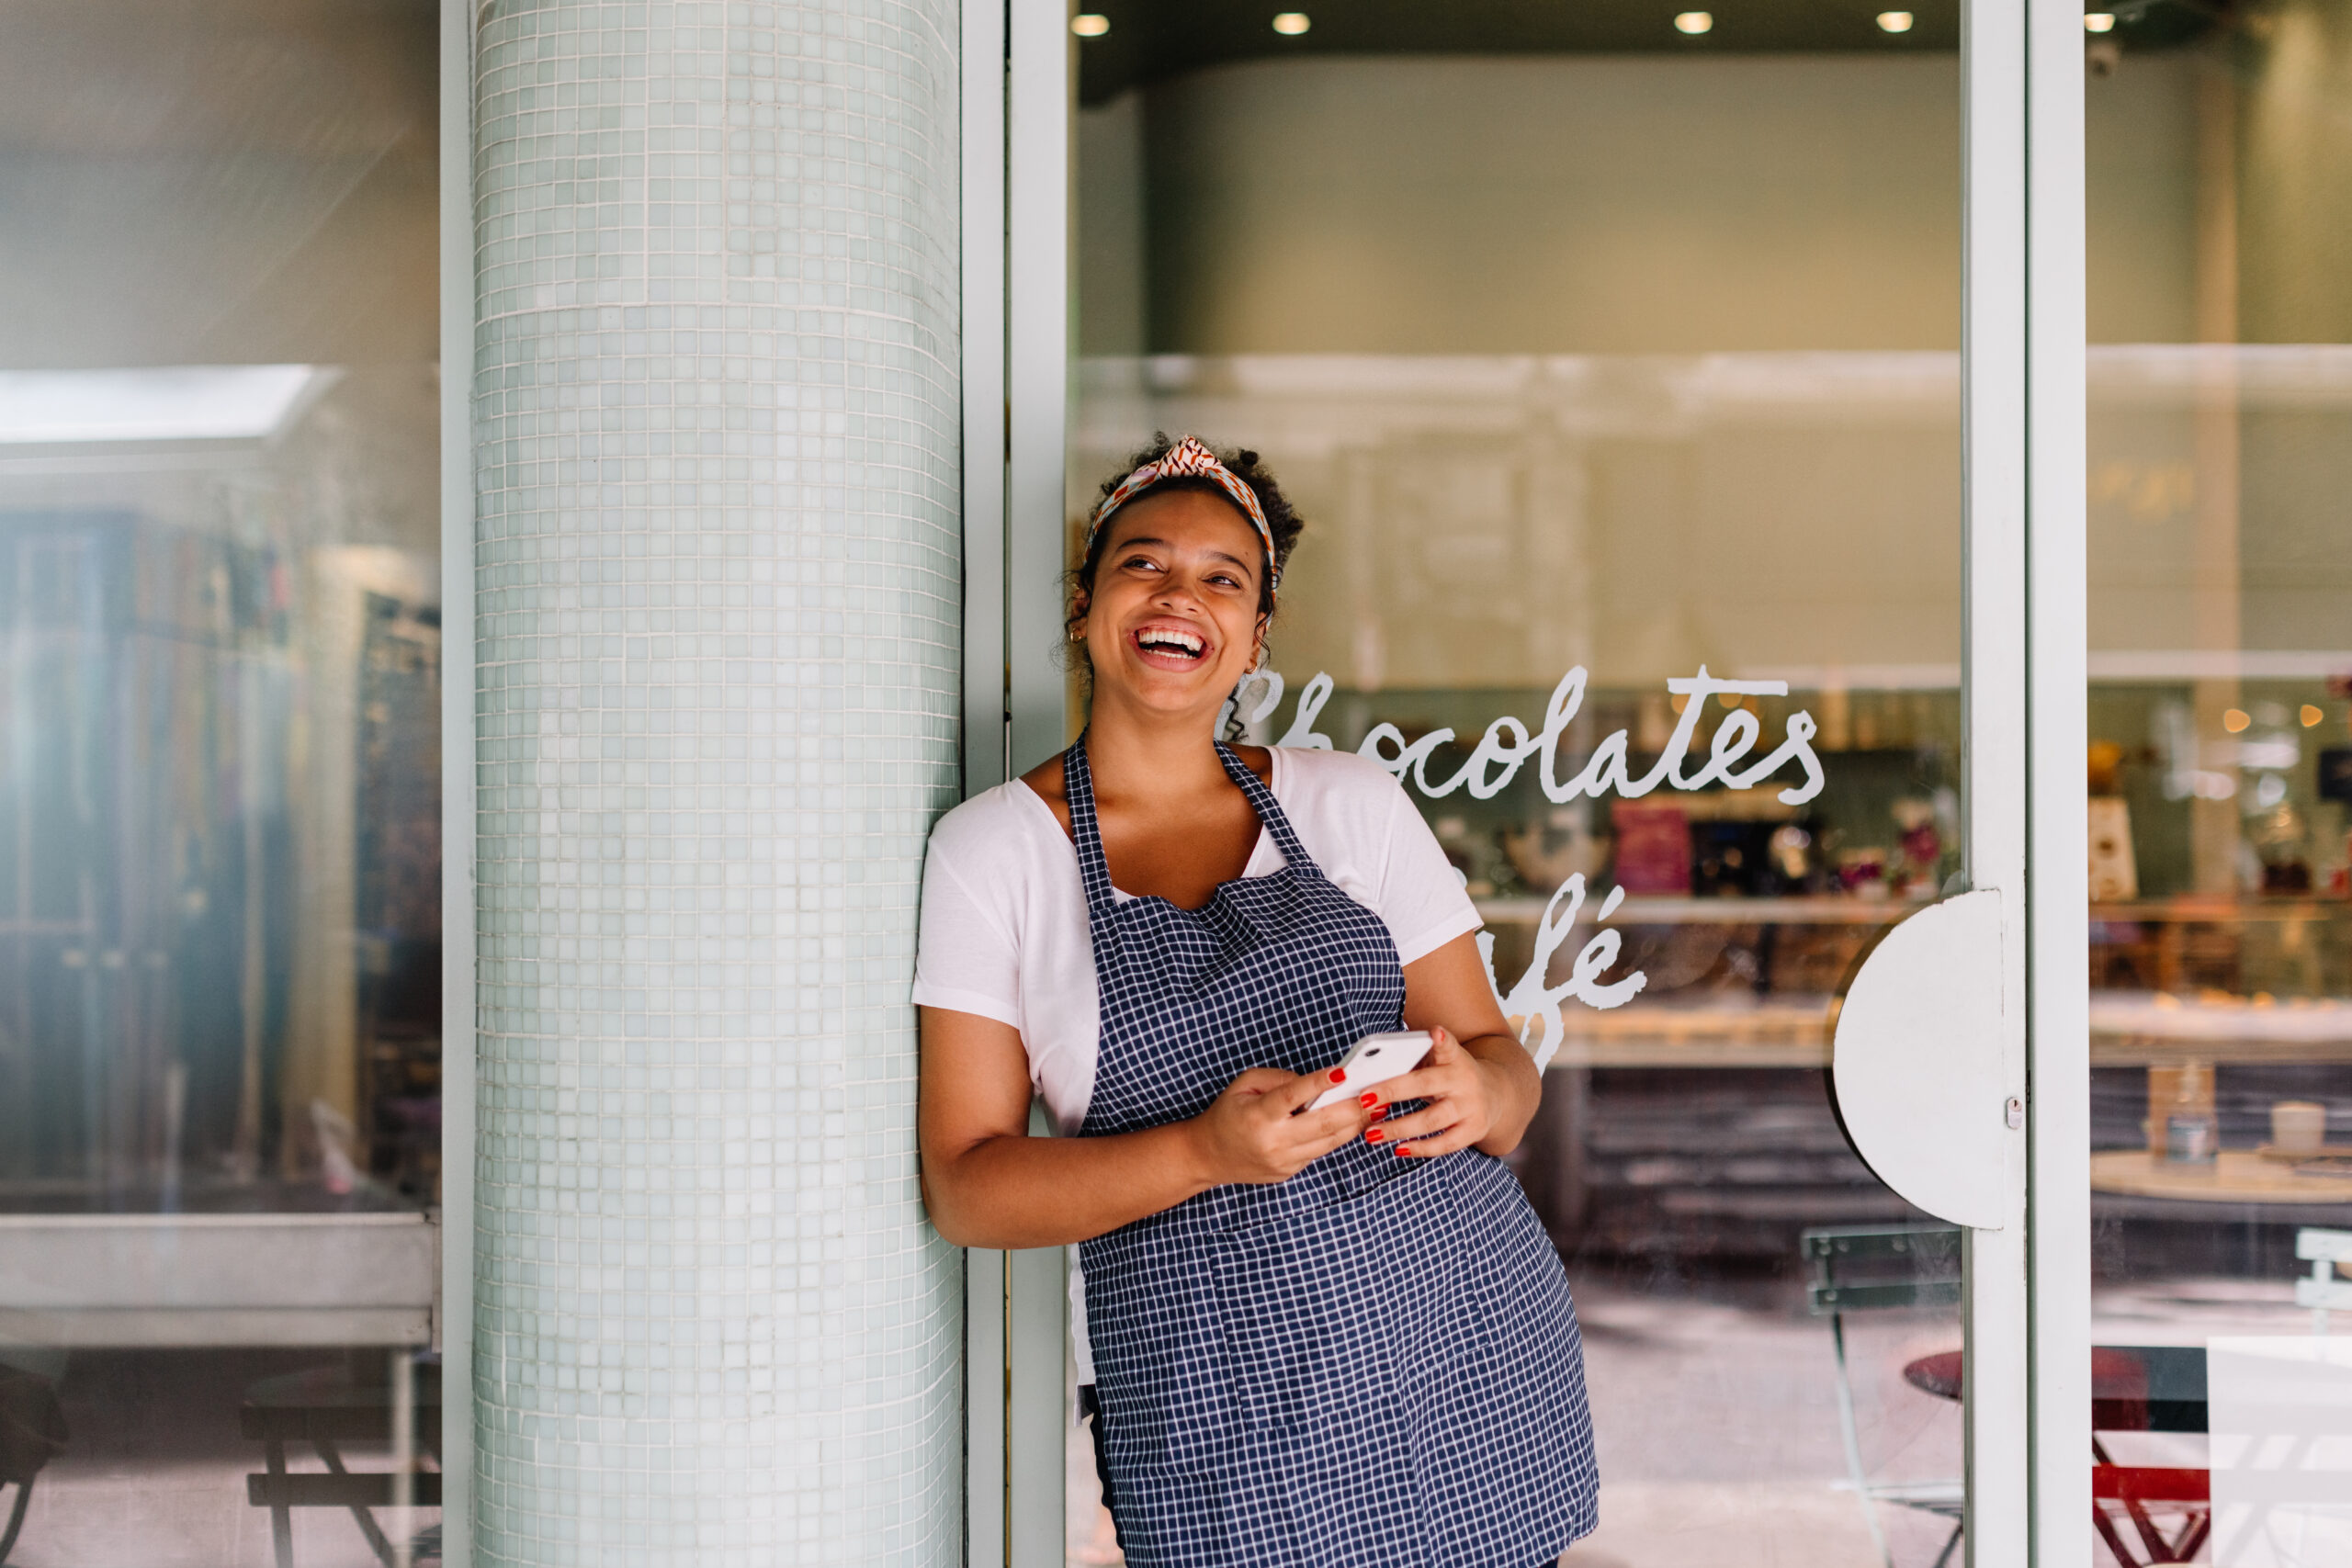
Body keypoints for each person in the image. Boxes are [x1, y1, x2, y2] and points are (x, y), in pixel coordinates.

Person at [915, 434, 1598, 1566]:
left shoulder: (1351, 803)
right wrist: (1203, 1153)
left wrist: (1480, 1093)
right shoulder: (993, 853)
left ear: (1255, 636)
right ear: (1085, 607)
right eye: (1144, 563)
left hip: (1458, 1348)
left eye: (1223, 576)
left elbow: (1501, 1067)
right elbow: (969, 1188)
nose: (1181, 593)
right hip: (1220, 1408)